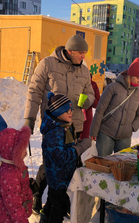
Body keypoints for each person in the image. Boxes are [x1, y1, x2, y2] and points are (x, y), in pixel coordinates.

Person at [23, 34, 95, 214]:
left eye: (85, 53)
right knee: (51, 164)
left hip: (74, 125)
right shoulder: (47, 64)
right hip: (53, 127)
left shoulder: (84, 70)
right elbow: (34, 92)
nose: (83, 56)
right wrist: (29, 119)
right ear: (69, 51)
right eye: (80, 52)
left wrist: (86, 101)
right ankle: (37, 194)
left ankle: (59, 203)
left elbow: (91, 93)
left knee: (69, 164)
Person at [39, 93, 92, 223]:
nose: (70, 113)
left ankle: (44, 218)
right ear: (57, 113)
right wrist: (79, 149)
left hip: (60, 178)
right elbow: (60, 157)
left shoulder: (62, 125)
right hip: (58, 179)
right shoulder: (55, 132)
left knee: (52, 202)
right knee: (59, 209)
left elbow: (65, 146)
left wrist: (77, 143)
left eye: (71, 110)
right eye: (67, 111)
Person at [90, 58, 139, 157]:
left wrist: (132, 127)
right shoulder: (112, 87)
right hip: (106, 133)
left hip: (125, 137)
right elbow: (100, 110)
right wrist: (94, 131)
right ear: (130, 75)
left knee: (121, 166)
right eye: (138, 77)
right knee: (103, 162)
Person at [0, 126, 33, 223]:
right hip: (10, 218)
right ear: (12, 151)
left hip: (14, 216)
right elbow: (14, 206)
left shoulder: (15, 165)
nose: (26, 152)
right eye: (22, 149)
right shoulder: (9, 175)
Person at [80, 74, 100, 139]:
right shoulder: (72, 81)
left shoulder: (93, 84)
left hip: (87, 118)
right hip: (71, 116)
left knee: (83, 141)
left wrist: (89, 99)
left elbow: (97, 103)